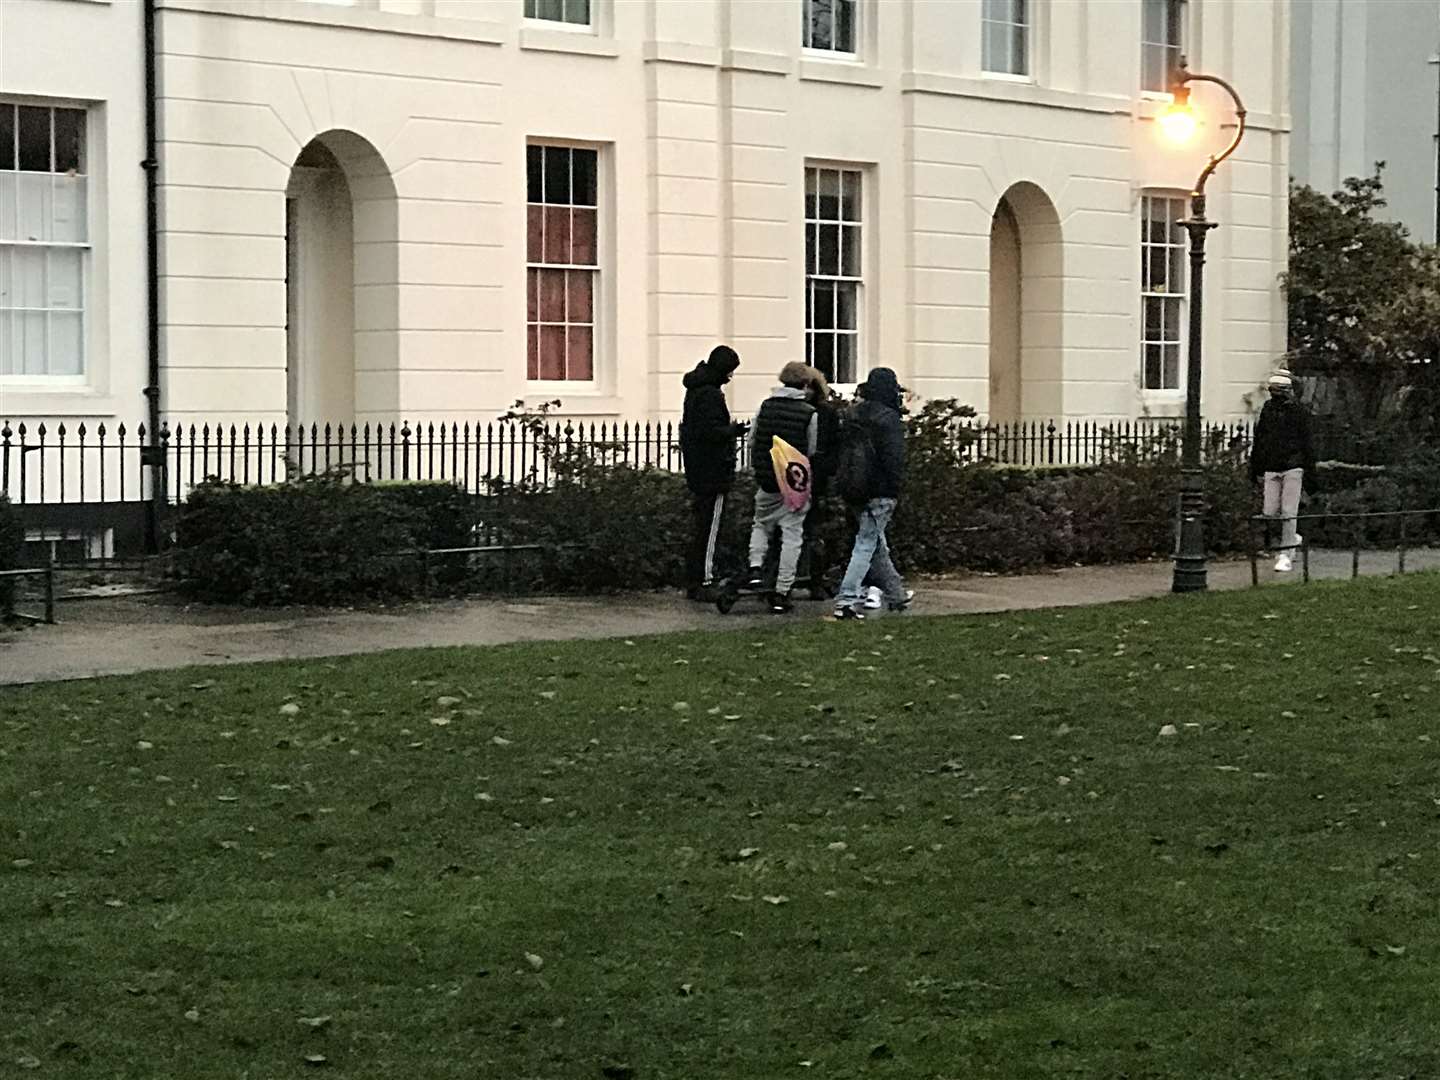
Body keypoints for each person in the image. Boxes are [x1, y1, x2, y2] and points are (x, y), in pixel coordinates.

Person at [833, 367, 912, 620]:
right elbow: (893, 460)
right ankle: (847, 598)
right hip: (880, 491)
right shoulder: (889, 420)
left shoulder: (853, 415)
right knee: (867, 544)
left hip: (854, 487)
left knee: (875, 544)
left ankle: (896, 594)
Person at [745, 361, 819, 613]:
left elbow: (753, 439)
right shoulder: (809, 413)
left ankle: (755, 567)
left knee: (761, 523)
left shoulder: (765, 406)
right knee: (792, 535)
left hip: (767, 477)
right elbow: (810, 449)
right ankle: (782, 590)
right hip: (793, 481)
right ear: (805, 384)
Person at [680, 345, 746, 600]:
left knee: (701, 525)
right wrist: (733, 432)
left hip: (698, 468)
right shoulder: (711, 395)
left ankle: (695, 578)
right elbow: (711, 433)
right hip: (712, 472)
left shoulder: (695, 390)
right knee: (709, 528)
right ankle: (704, 580)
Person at [1249, 370, 1316, 573]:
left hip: (1293, 467)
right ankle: (1292, 538)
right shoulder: (1268, 410)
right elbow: (1260, 439)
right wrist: (1256, 468)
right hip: (1271, 467)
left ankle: (1285, 554)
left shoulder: (1299, 412)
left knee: (1288, 512)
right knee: (1269, 512)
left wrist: (1309, 470)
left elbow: (1307, 442)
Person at [798, 365, 842, 598]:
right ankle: (813, 579)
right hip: (813, 476)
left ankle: (812, 578)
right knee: (811, 529)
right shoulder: (825, 413)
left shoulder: (821, 414)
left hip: (810, 477)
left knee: (809, 530)